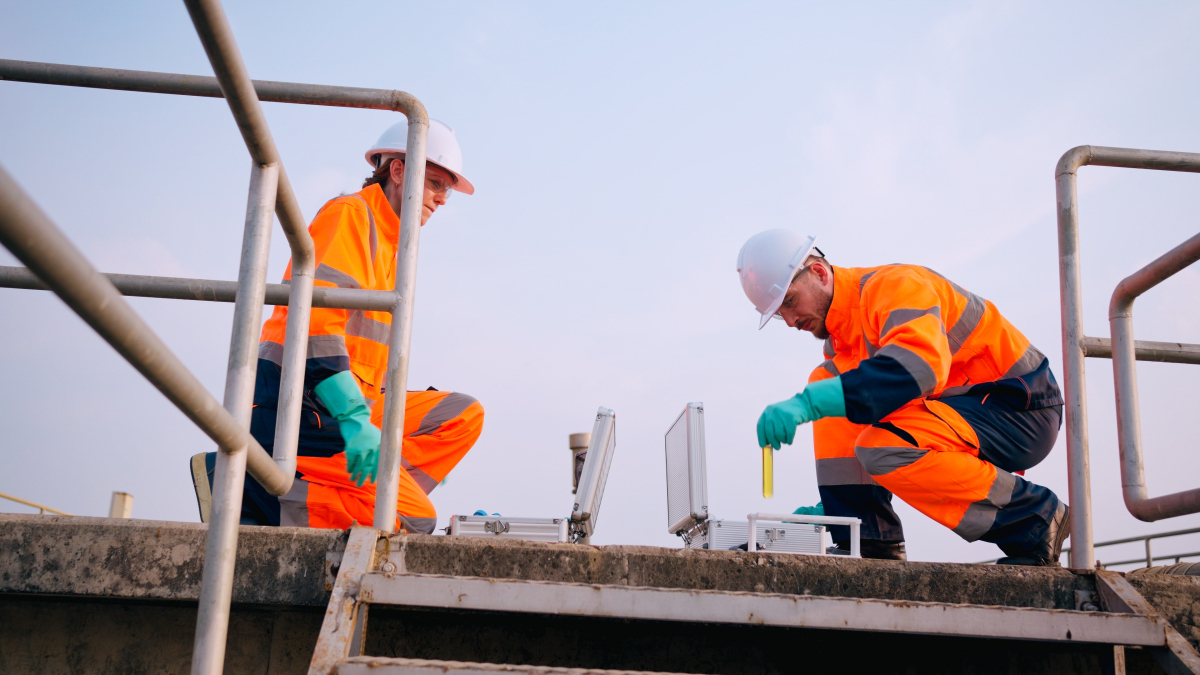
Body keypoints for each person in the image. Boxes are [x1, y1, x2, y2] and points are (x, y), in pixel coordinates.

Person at [737, 229, 1068, 565]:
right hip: (966, 411)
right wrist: (839, 508)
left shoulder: (894, 286)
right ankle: (869, 539)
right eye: (780, 313)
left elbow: (921, 366)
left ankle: (1035, 520)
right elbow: (879, 406)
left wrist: (808, 403)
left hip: (1022, 406)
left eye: (789, 301)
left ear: (819, 273)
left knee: (869, 435)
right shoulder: (842, 344)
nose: (791, 321)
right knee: (829, 383)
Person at [222, 119, 485, 533]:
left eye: (447, 189)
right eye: (436, 182)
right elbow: (316, 325)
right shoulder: (351, 216)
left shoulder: (392, 245)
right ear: (398, 171)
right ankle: (259, 495)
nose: (443, 198)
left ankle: (368, 488)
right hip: (299, 407)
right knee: (411, 518)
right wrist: (354, 420)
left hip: (345, 401)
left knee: (462, 415)